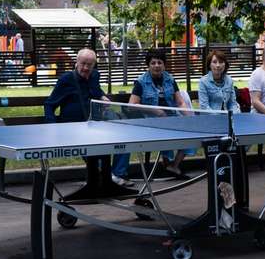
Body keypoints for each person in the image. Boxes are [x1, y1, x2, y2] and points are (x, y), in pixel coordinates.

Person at [113, 48, 188, 183]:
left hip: (171, 119)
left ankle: (173, 166)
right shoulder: (141, 82)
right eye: (153, 63)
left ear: (164, 65)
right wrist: (155, 111)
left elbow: (180, 101)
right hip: (149, 122)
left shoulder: (170, 79)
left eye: (160, 62)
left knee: (191, 131)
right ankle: (167, 164)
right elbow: (132, 105)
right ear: (148, 65)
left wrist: (191, 117)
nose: (157, 66)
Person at [44, 48, 109, 124]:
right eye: (83, 63)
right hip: (71, 127)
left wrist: (102, 96)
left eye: (89, 64)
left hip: (93, 126)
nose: (86, 68)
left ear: (94, 64)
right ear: (77, 62)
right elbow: (49, 105)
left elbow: (96, 90)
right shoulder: (66, 79)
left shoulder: (95, 75)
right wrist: (52, 126)